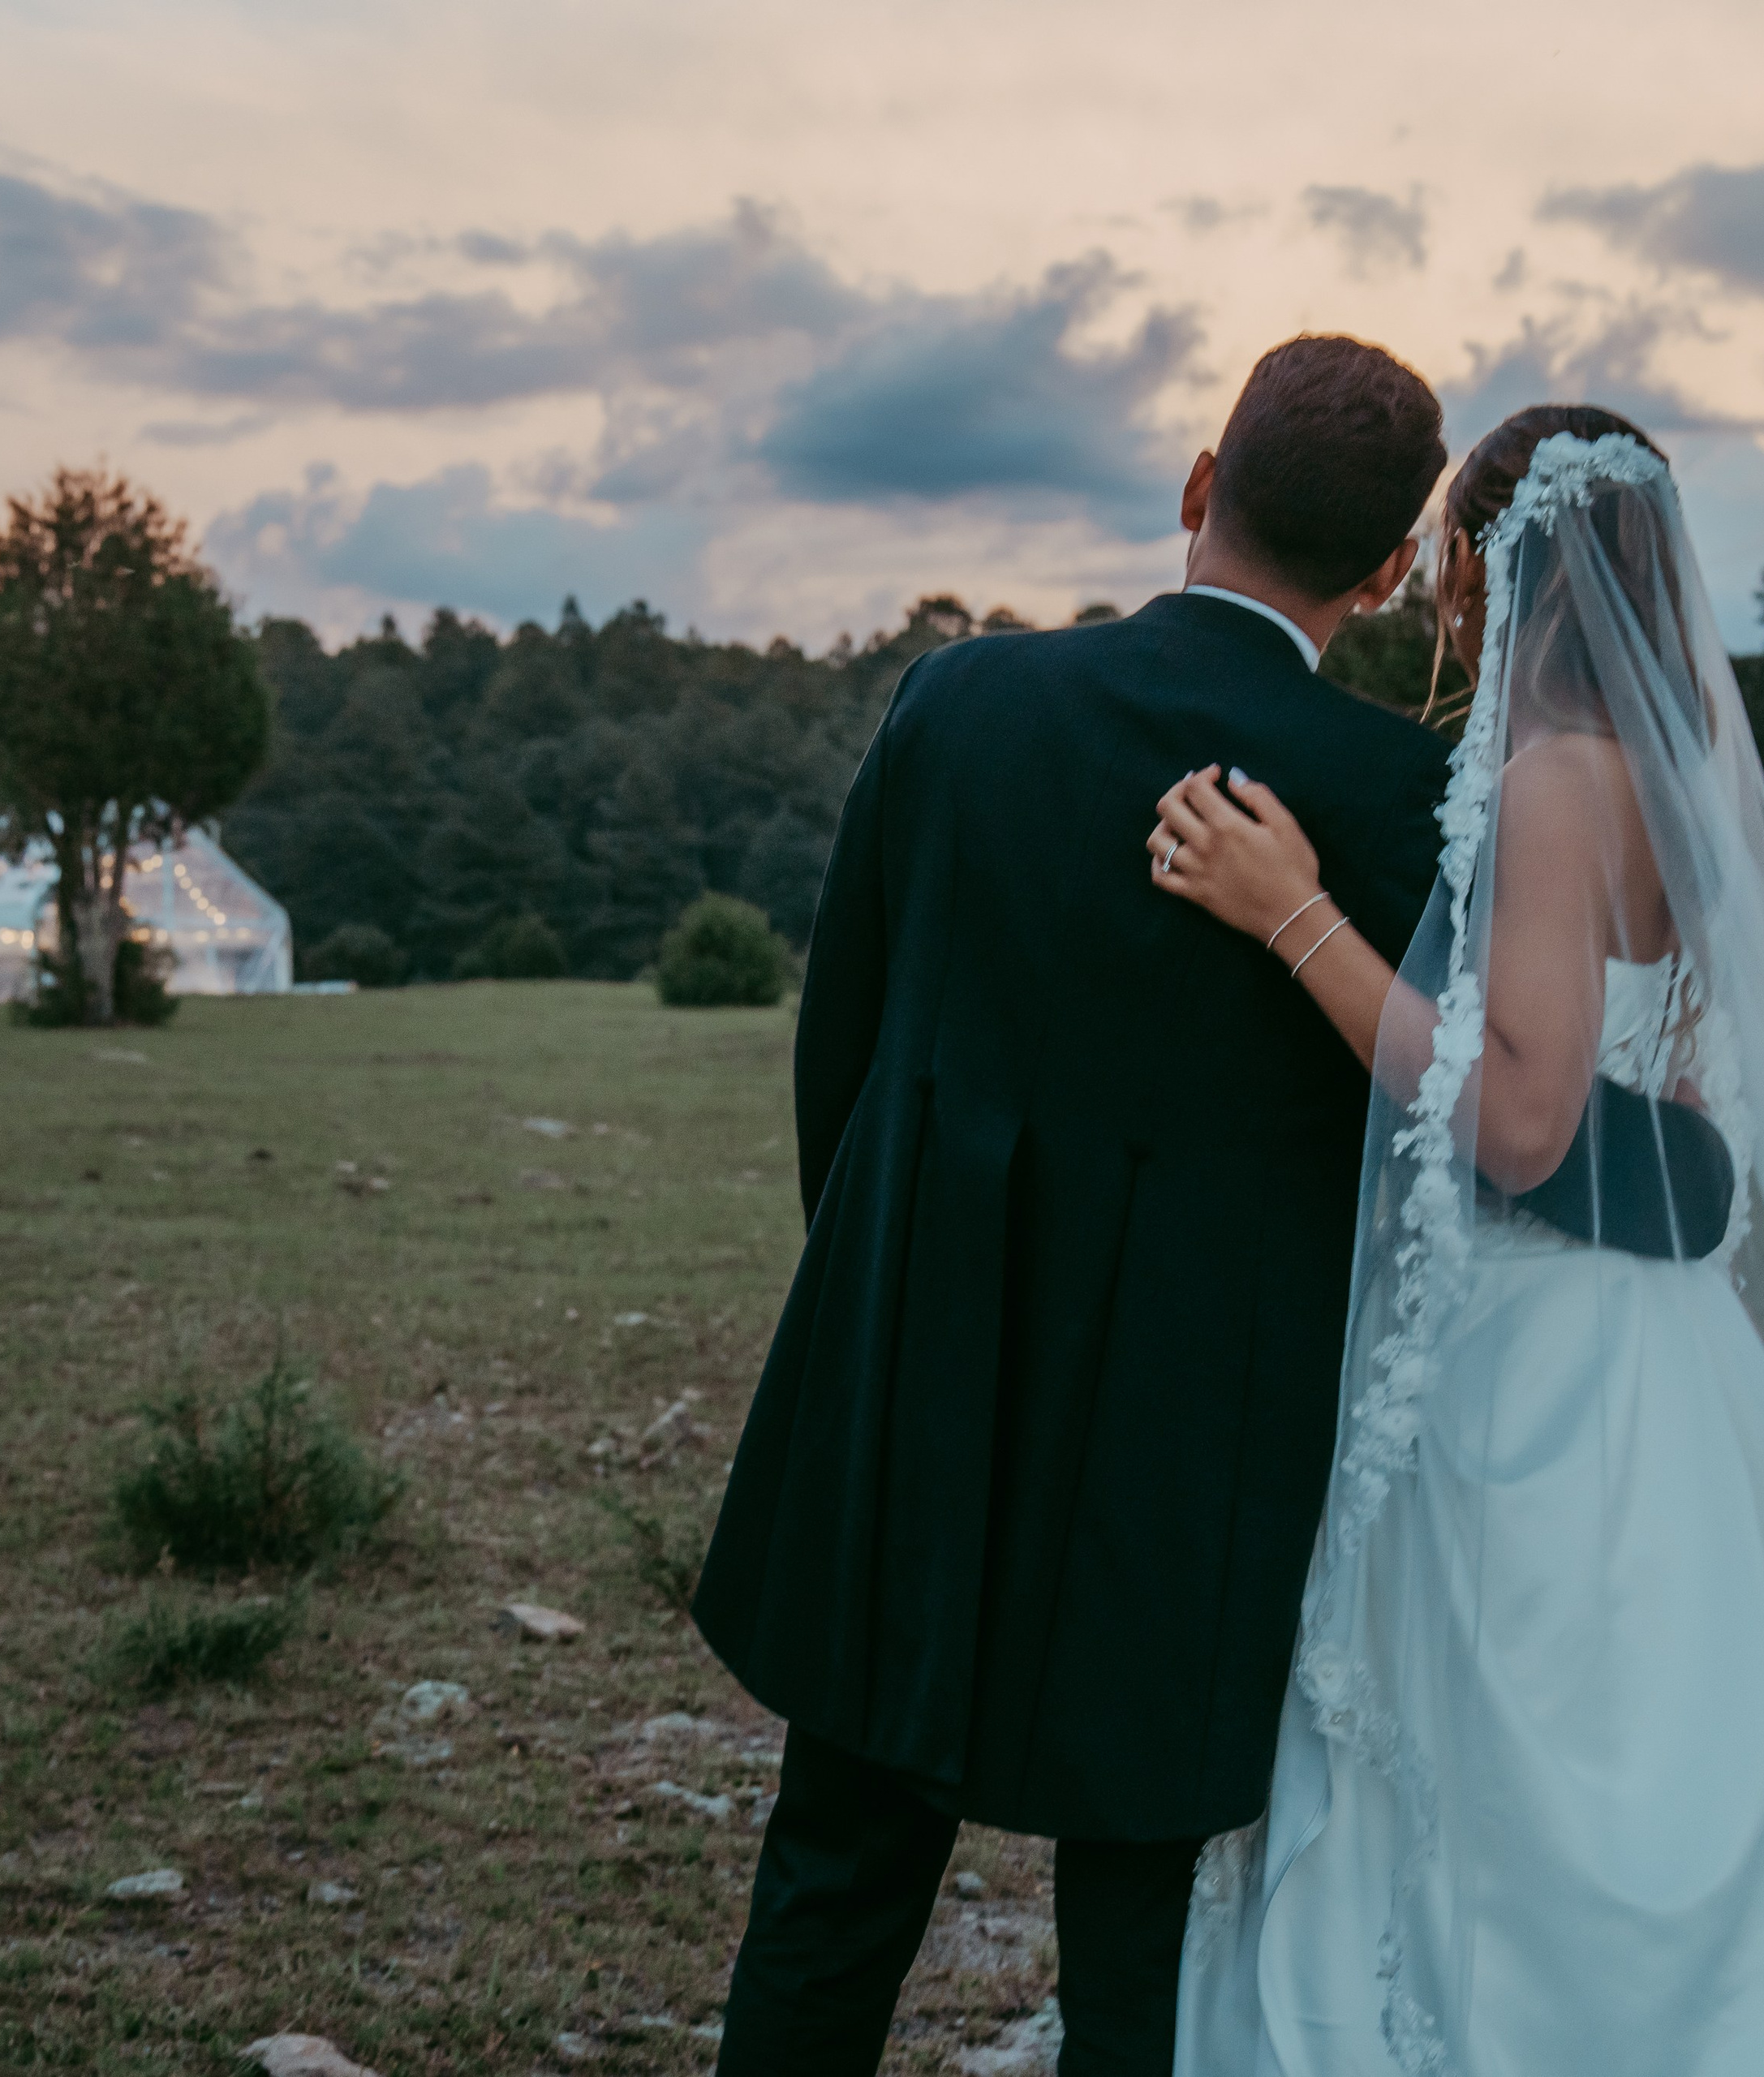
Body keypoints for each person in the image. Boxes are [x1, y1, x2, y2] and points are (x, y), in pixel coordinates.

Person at [693, 334, 1458, 2077]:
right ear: (1389, 569)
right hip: (1197, 1442)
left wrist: (890, 1272)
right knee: (1142, 1947)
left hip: (921, 1363)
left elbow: (849, 1045)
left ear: (1198, 482)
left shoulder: (958, 701)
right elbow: (1408, 1138)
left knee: (833, 1877)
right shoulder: (1396, 795)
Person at [1156, 410, 1764, 2073]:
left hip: (1531, 1361)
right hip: (1669, 1344)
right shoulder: (1695, 772)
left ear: (1488, 569)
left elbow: (1521, 1120)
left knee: (1500, 1772)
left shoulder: (1557, 778)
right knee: (1648, 1742)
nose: (1438, 599)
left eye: (1447, 564)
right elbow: (1689, 1116)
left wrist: (1291, 917)